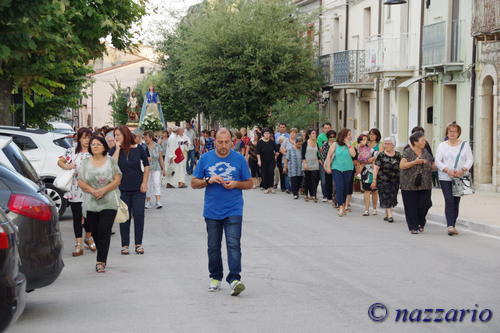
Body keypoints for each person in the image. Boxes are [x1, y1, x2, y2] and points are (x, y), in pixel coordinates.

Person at [191, 128, 253, 296]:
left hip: (234, 208)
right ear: (214, 141)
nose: (223, 145)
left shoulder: (239, 159)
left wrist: (236, 184)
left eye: (226, 142)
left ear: (232, 142)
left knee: (233, 245)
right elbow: (193, 183)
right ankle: (215, 276)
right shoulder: (205, 158)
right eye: (220, 142)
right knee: (213, 246)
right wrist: (207, 180)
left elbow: (250, 183)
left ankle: (234, 279)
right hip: (212, 210)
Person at [77, 135, 122, 273]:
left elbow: (117, 179)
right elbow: (80, 181)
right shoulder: (85, 162)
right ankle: (101, 255)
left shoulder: (111, 161)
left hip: (109, 201)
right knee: (95, 231)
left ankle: (101, 260)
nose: (94, 146)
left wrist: (103, 190)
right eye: (92, 144)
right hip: (91, 202)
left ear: (104, 147)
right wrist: (92, 190)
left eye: (97, 144)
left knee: (104, 230)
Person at [57, 127, 96, 256]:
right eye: (84, 137)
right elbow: (60, 161)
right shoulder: (72, 150)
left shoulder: (94, 151)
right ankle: (78, 243)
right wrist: (68, 166)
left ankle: (88, 237)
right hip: (75, 188)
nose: (87, 140)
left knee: (90, 216)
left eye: (89, 137)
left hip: (90, 189)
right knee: (77, 216)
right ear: (79, 138)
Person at [111, 125, 150, 255]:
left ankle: (138, 244)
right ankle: (125, 244)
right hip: (122, 189)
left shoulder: (139, 149)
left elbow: (146, 165)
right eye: (115, 135)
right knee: (125, 217)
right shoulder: (114, 150)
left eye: (118, 135)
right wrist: (117, 149)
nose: (116, 137)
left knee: (139, 215)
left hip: (138, 188)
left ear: (125, 135)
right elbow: (112, 165)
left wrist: (144, 182)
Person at [435, 123, 473, 236]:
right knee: (449, 200)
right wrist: (447, 170)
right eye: (450, 131)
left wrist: (463, 170)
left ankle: (453, 224)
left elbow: (470, 159)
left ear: (458, 133)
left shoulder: (465, 145)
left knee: (456, 202)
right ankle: (450, 226)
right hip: (445, 177)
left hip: (460, 177)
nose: (452, 133)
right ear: (447, 132)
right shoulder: (442, 145)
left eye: (454, 131)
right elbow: (438, 160)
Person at [400, 131, 435, 234]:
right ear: (415, 142)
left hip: (425, 183)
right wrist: (415, 162)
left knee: (426, 204)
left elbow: (432, 164)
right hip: (408, 184)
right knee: (411, 206)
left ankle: (421, 221)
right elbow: (402, 166)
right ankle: (413, 226)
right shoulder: (407, 151)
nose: (425, 141)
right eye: (422, 140)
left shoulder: (426, 151)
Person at [324, 128, 356, 217]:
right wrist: (328, 166)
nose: (350, 136)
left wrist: (348, 145)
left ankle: (344, 205)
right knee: (339, 187)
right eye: (349, 134)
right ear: (344, 135)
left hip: (348, 169)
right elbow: (329, 155)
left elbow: (353, 155)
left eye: (350, 134)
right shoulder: (335, 144)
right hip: (337, 168)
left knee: (345, 188)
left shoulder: (350, 145)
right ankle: (341, 206)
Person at [371, 137, 401, 223]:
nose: (386, 145)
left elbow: (401, 167)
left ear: (393, 145)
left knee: (392, 197)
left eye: (388, 143)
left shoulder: (398, 155)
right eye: (385, 143)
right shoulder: (381, 155)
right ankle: (390, 215)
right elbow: (376, 168)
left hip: (395, 180)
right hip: (383, 180)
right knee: (386, 196)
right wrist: (374, 180)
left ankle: (387, 214)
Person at [356, 134, 378, 216]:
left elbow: (377, 155)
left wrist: (372, 159)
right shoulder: (358, 149)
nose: (364, 141)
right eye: (362, 140)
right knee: (366, 190)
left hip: (373, 171)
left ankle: (375, 209)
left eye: (366, 139)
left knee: (374, 190)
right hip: (364, 171)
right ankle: (366, 210)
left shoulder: (371, 150)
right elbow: (358, 160)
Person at [144, 131, 166, 209]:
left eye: (146, 137)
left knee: (157, 183)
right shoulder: (143, 146)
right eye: (144, 137)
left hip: (156, 167)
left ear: (151, 137)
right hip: (146, 168)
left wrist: (163, 168)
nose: (145, 139)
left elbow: (160, 158)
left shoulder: (157, 146)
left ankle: (158, 201)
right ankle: (148, 201)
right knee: (147, 185)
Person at [256, 128, 278, 194]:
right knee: (264, 173)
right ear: (263, 134)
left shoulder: (272, 142)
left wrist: (275, 156)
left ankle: (271, 187)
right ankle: (266, 187)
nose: (267, 135)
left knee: (271, 173)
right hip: (263, 160)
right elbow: (258, 153)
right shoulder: (260, 142)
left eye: (268, 133)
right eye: (265, 133)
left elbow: (277, 150)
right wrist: (259, 161)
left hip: (271, 160)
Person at [301, 129, 320, 202]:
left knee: (314, 180)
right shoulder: (305, 143)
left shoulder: (317, 143)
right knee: (307, 180)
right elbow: (303, 154)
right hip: (307, 163)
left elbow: (318, 155)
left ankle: (314, 195)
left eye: (315, 133)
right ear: (309, 135)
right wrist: (305, 163)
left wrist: (321, 161)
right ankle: (306, 194)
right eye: (313, 133)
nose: (314, 135)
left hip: (315, 164)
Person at [319, 130, 336, 204]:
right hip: (328, 165)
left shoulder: (337, 144)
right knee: (328, 181)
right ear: (328, 137)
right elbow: (323, 155)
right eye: (330, 137)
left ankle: (335, 197)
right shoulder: (325, 145)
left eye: (333, 136)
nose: (332, 138)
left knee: (335, 182)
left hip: (336, 165)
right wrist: (326, 164)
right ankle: (329, 197)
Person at [317, 122, 332, 202]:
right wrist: (321, 160)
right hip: (323, 160)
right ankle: (325, 195)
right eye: (325, 128)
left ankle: (331, 195)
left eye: (328, 128)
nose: (327, 129)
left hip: (332, 161)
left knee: (331, 179)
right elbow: (320, 149)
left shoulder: (333, 136)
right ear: (323, 129)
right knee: (323, 180)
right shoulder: (320, 137)